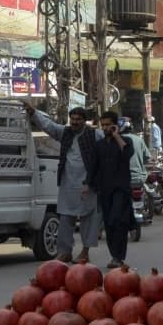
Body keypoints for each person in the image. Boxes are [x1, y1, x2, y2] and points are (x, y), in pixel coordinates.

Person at [28, 104, 99, 261]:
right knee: (66, 219)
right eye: (72, 119)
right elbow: (49, 126)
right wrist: (34, 113)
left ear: (84, 121)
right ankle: (65, 252)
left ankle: (85, 252)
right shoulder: (65, 133)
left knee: (88, 219)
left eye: (78, 120)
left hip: (87, 184)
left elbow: (108, 145)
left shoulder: (94, 135)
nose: (74, 122)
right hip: (68, 183)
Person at [91, 112, 135, 268]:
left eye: (108, 124)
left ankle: (118, 256)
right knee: (109, 223)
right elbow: (94, 167)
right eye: (103, 125)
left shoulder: (125, 141)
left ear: (115, 125)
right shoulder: (99, 145)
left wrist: (117, 136)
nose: (105, 128)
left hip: (121, 189)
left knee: (118, 220)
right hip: (105, 190)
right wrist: (88, 185)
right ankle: (114, 256)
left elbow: (127, 154)